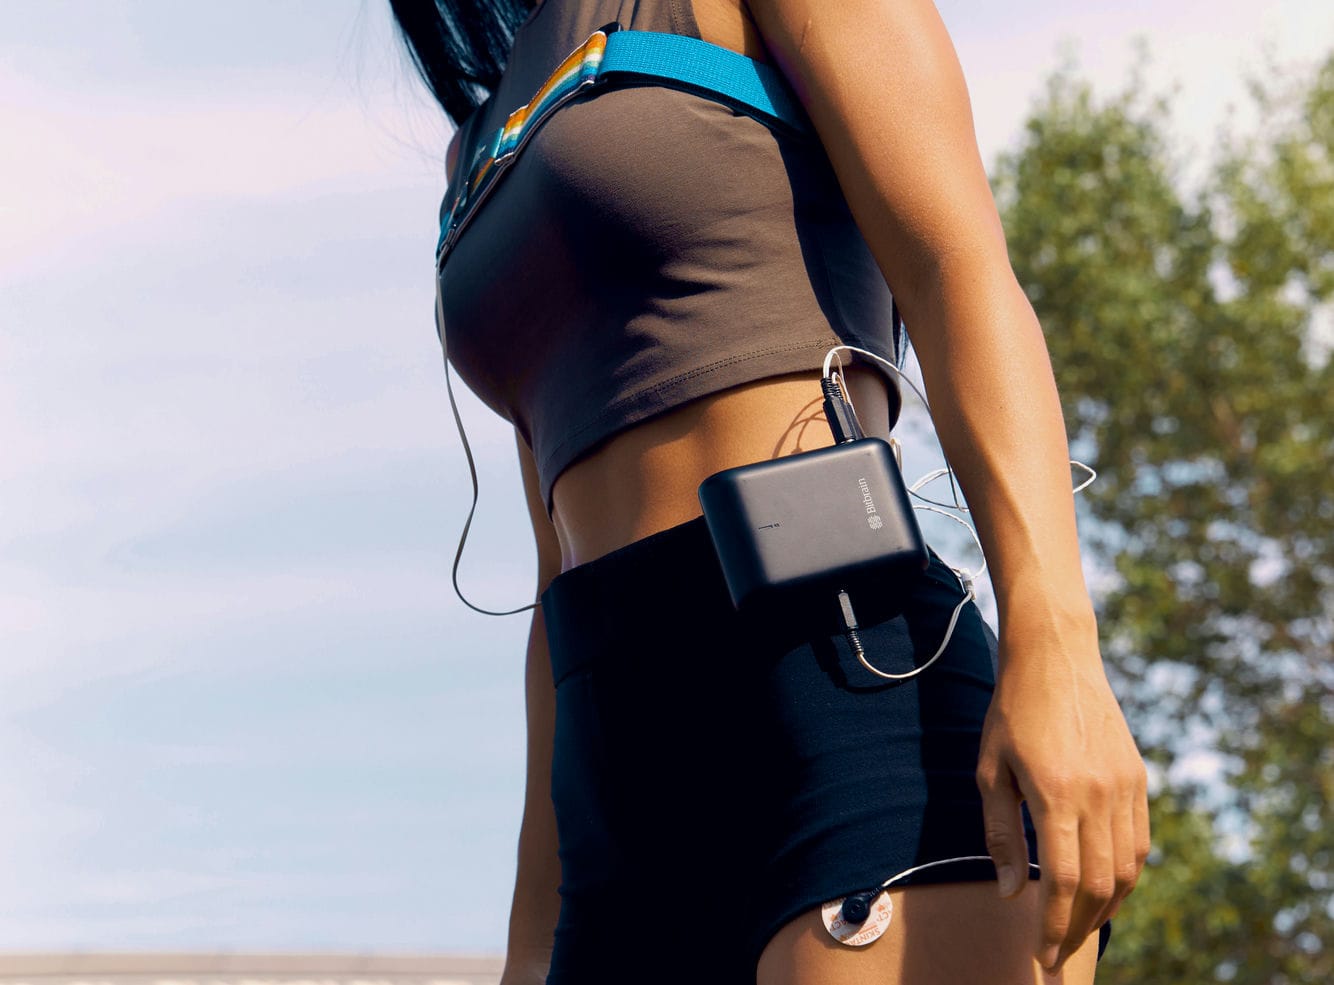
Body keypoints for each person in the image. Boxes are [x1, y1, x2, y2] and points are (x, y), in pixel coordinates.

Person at [391, 1, 1150, 982]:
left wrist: (1058, 657)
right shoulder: (479, 142)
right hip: (613, 792)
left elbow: (957, 270)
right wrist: (531, 932)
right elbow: (555, 569)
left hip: (846, 696)